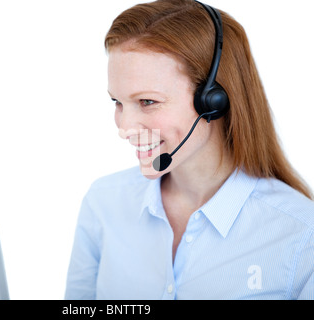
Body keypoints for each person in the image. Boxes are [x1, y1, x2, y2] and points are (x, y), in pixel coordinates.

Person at [64, 0, 314, 300]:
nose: (125, 127)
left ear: (213, 101)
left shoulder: (300, 234)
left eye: (147, 102)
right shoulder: (103, 203)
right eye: (117, 102)